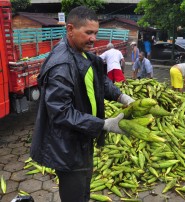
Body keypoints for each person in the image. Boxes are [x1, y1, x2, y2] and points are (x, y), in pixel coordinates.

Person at [30, 6, 135, 202]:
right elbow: (61, 113)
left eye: (95, 33)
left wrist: (121, 96)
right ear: (70, 29)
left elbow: (100, 82)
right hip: (68, 146)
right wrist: (103, 124)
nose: (93, 38)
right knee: (75, 195)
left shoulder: (82, 54)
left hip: (83, 138)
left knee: (84, 190)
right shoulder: (62, 65)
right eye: (88, 33)